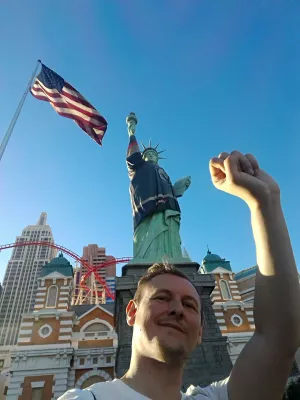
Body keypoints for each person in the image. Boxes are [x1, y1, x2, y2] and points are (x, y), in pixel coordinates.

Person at [59, 150, 300, 399]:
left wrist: (265, 202)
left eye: (190, 305)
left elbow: (278, 339)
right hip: (148, 215)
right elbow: (133, 165)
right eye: (162, 297)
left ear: (200, 332)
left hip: (167, 214)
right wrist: (131, 132)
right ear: (131, 312)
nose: (177, 309)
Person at [125, 112, 191, 263]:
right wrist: (131, 133)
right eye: (148, 153)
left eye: (154, 154)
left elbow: (170, 191)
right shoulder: (140, 167)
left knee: (169, 231)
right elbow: (132, 159)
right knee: (148, 234)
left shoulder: (163, 172)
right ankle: (145, 257)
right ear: (144, 156)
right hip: (147, 208)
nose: (152, 155)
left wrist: (179, 187)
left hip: (167, 208)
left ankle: (173, 256)